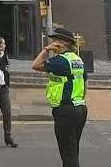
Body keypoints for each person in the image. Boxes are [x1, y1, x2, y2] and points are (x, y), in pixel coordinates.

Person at [31, 28, 88, 167]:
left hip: (65, 110)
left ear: (62, 43)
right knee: (72, 150)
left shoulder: (61, 61)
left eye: (55, 40)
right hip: (80, 108)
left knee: (68, 154)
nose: (53, 43)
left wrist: (45, 49)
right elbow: (84, 83)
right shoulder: (77, 59)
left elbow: (35, 65)